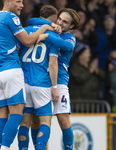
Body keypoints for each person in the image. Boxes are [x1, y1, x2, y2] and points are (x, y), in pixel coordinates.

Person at [0, 1, 54, 150]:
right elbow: (28, 41)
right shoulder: (11, 18)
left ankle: (0, 148)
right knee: (17, 115)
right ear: (8, 1)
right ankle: (5, 148)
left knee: (1, 117)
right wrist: (44, 27)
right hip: (10, 71)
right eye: (18, 1)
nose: (22, 5)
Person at [28, 8, 81, 150]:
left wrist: (46, 36)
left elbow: (67, 46)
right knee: (36, 122)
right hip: (42, 81)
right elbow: (32, 21)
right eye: (59, 19)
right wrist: (49, 26)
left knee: (63, 121)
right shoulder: (51, 28)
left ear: (71, 27)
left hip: (60, 82)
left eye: (65, 22)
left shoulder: (69, 38)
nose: (61, 23)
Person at [17, 5, 60, 150]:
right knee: (45, 122)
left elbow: (16, 52)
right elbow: (52, 63)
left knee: (24, 123)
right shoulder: (53, 36)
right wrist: (54, 88)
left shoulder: (25, 31)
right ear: (54, 19)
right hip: (41, 83)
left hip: (23, 82)